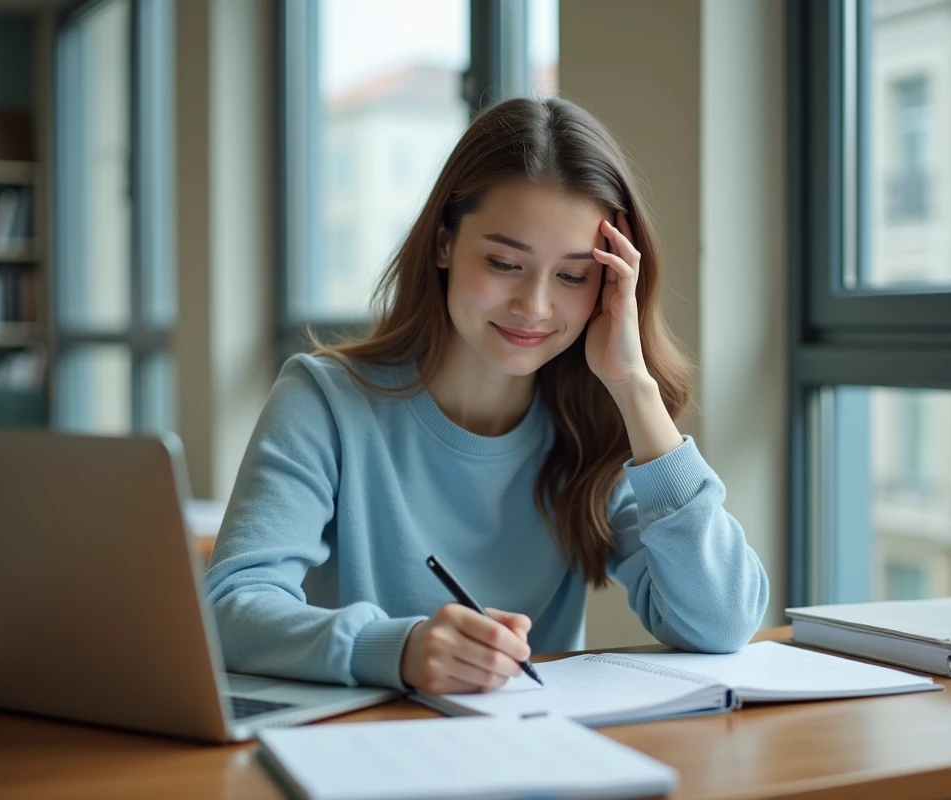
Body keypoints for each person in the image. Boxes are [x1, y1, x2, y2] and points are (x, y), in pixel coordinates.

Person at [205, 97, 769, 695]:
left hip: (537, 756)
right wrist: (395, 650)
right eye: (504, 262)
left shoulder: (599, 425)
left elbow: (722, 622)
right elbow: (231, 609)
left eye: (573, 276)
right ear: (444, 244)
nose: (534, 306)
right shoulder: (323, 402)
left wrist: (636, 389)